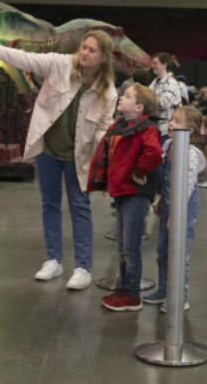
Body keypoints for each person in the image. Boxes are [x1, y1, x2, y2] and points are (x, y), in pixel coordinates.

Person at [0, 31, 118, 291]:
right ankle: (53, 260)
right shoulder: (60, 64)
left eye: (92, 50)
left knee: (80, 206)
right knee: (50, 202)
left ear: (103, 57)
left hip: (77, 156)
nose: (85, 53)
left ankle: (83, 267)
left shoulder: (108, 92)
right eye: (84, 47)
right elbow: (28, 59)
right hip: (48, 148)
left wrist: (108, 156)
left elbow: (103, 127)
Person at [88, 83, 163, 312]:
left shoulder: (145, 129)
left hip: (134, 195)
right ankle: (125, 288)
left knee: (130, 248)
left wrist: (138, 171)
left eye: (128, 96)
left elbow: (154, 153)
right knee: (123, 246)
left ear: (139, 107)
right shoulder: (120, 127)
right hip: (122, 192)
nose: (121, 97)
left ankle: (132, 295)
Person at [143, 105, 206, 310]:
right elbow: (166, 178)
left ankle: (180, 297)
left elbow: (186, 186)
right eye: (172, 119)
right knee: (163, 250)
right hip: (169, 206)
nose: (171, 124)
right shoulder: (170, 145)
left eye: (178, 122)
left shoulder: (191, 154)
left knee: (179, 254)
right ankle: (164, 289)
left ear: (192, 132)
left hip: (183, 210)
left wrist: (176, 215)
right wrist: (162, 201)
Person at [149, 52, 183, 136]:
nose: (152, 66)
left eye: (155, 63)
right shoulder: (154, 82)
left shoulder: (171, 83)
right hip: (155, 128)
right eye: (152, 63)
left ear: (164, 65)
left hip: (166, 130)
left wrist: (147, 99)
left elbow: (162, 103)